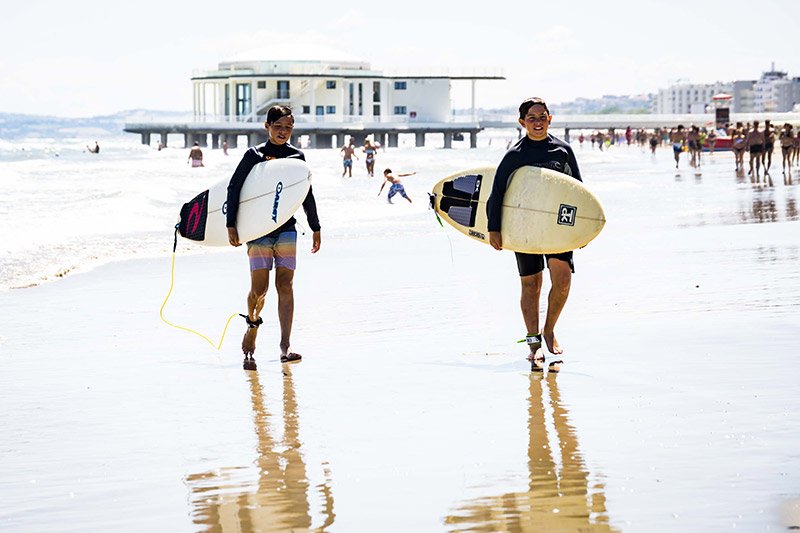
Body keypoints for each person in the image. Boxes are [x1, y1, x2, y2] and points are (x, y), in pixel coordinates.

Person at [486, 97, 582, 372]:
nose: (537, 122)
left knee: (562, 281)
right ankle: (533, 341)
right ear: (522, 122)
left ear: (550, 119)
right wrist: (494, 228)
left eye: (542, 117)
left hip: (557, 227)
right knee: (531, 285)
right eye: (532, 118)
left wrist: (582, 230)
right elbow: (498, 193)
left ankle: (549, 330)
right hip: (525, 227)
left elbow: (579, 191)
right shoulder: (515, 155)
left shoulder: (563, 151)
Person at [225, 105, 321, 369]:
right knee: (260, 289)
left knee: (286, 286)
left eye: (288, 127)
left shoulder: (296, 156)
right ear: (267, 126)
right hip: (258, 233)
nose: (283, 132)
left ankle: (285, 345)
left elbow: (305, 192)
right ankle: (252, 325)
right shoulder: (253, 155)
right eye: (278, 127)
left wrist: (315, 226)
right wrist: (231, 224)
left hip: (287, 229)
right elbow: (234, 188)